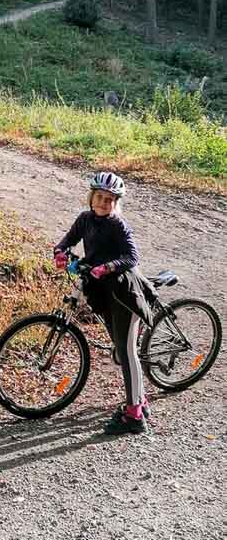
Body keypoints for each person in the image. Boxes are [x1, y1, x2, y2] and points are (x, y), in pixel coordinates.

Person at [54, 171, 157, 436]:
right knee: (121, 348)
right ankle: (140, 401)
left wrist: (108, 266)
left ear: (116, 202)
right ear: (91, 197)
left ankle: (134, 415)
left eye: (109, 199)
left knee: (126, 350)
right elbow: (68, 240)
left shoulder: (118, 225)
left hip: (124, 290)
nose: (103, 202)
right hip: (102, 290)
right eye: (99, 197)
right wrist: (60, 252)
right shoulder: (85, 219)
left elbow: (132, 257)